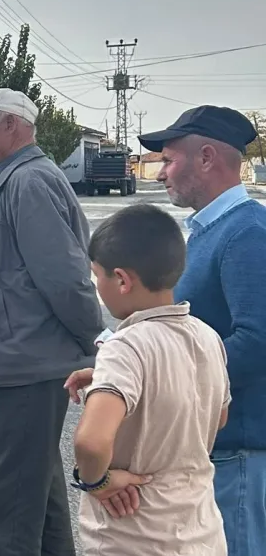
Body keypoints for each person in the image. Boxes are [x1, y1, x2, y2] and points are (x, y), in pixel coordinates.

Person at [0, 88, 106, 556]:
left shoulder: (28, 183)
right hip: (20, 369)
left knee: (11, 518)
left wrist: (97, 346)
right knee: (40, 502)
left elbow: (66, 280)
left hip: (23, 373)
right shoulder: (12, 181)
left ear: (11, 124)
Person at [137, 105, 266, 556]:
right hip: (219, 446)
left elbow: (257, 343)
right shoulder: (214, 230)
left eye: (168, 161)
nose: (160, 175)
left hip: (240, 451)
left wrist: (161, 377)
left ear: (207, 158)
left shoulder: (247, 232)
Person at [65, 203, 229, 555]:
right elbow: (217, 416)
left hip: (134, 536)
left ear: (122, 280)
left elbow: (91, 443)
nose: (98, 286)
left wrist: (98, 480)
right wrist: (111, 381)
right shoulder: (207, 337)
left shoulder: (124, 347)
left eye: (98, 276)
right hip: (200, 531)